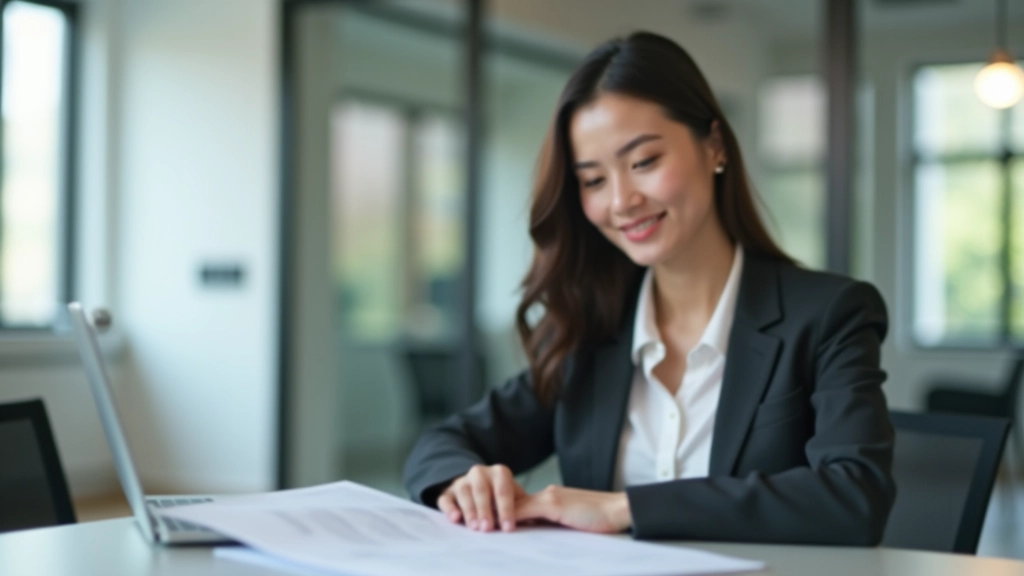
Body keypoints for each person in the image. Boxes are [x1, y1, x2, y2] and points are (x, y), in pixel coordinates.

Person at [403, 31, 894, 545]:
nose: (621, 201)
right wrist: (467, 483)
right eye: (593, 181)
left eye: (644, 162)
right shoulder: (592, 329)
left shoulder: (829, 315)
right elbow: (444, 443)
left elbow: (854, 496)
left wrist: (623, 508)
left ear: (715, 146)